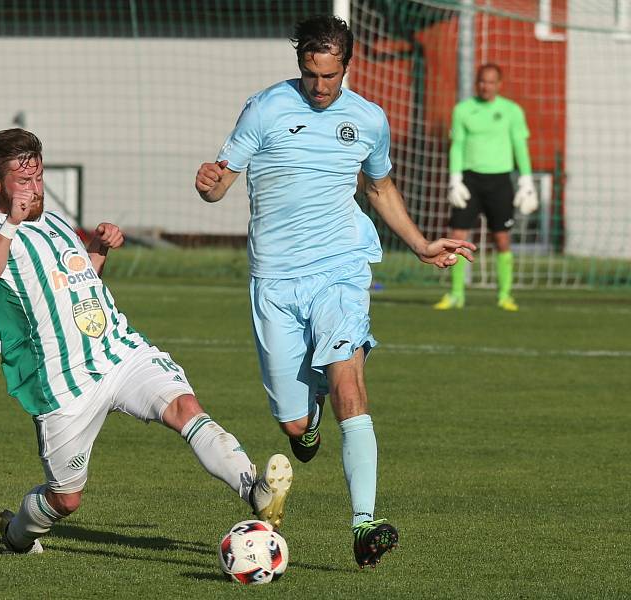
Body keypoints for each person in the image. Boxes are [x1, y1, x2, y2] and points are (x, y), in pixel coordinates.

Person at [194, 15, 475, 569]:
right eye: (310, 74)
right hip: (275, 279)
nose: (320, 88)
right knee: (294, 426)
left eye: (330, 75)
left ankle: (364, 523)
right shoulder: (265, 108)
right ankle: (308, 420)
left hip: (341, 268)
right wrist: (208, 186)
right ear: (300, 63)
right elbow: (221, 181)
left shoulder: (368, 119)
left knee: (350, 385)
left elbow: (378, 185)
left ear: (348, 65)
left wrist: (419, 245)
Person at [0, 128, 293, 555]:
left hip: (118, 351)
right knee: (66, 499)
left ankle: (255, 490)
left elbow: (81, 288)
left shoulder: (58, 225)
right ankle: (18, 535)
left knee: (184, 407)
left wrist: (98, 250)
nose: (34, 189)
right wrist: (11, 221)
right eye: (23, 181)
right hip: (63, 382)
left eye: (39, 178)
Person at [435, 62, 538, 312]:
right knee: (457, 238)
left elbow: (520, 146)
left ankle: (505, 295)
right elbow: (457, 145)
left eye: (491, 82)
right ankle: (456, 294)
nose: (485, 86)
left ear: (499, 85)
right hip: (469, 181)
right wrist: (455, 178)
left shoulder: (512, 111)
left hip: (501, 181)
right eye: (482, 81)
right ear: (476, 82)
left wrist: (526, 179)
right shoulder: (463, 110)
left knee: (502, 239)